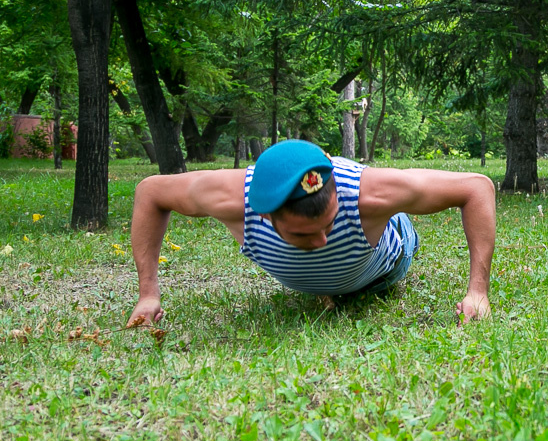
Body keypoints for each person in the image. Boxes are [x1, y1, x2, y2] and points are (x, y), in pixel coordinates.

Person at [126, 139, 496, 325]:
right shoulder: (231, 201)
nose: (320, 242)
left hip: (386, 258)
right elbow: (150, 192)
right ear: (266, 217)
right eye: (304, 236)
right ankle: (326, 287)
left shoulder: (370, 193)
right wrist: (147, 295)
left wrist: (477, 292)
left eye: (328, 225)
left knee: (393, 217)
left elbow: (476, 187)